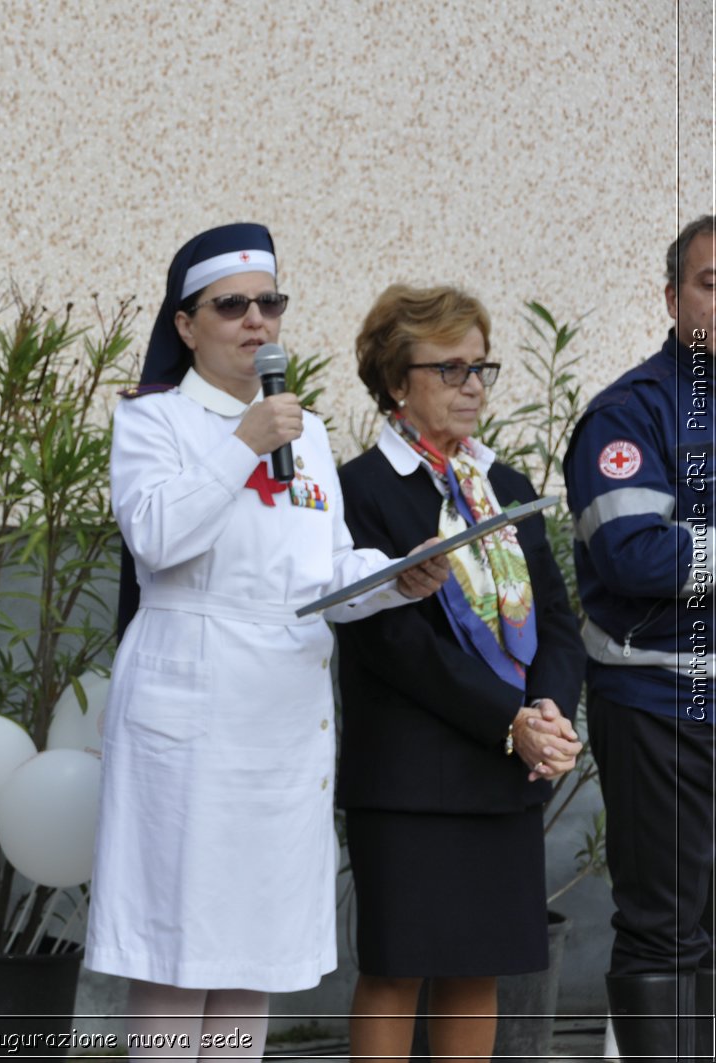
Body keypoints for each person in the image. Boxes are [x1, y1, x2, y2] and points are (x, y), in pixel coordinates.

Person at [85, 223, 450, 1061]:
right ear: (186, 324)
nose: (257, 322)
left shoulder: (309, 432)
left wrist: (397, 575)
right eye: (232, 306)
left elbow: (315, 573)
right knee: (177, 950)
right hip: (194, 713)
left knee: (253, 952)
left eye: (271, 304)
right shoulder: (156, 421)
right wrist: (243, 442)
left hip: (281, 722)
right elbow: (157, 540)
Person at [335, 284, 586, 1063]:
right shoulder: (362, 488)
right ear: (395, 379)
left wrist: (543, 710)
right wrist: (503, 716)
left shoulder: (502, 487)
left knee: (477, 969)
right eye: (450, 368)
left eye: (481, 367)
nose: (473, 385)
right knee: (396, 969)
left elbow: (557, 620)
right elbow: (394, 643)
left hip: (503, 762)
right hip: (410, 773)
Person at [563, 214, 716, 1063]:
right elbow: (632, 554)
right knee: (668, 930)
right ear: (672, 296)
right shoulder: (631, 412)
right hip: (663, 699)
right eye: (711, 283)